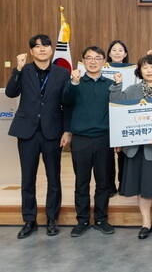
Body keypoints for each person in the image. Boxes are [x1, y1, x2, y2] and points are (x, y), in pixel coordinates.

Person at [5, 34, 70, 239]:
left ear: (51, 49)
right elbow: (10, 93)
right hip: (27, 132)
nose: (42, 49)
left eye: (46, 45)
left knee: (54, 178)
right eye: (37, 46)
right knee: (28, 178)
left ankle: (52, 219)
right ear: (31, 51)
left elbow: (67, 103)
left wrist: (67, 130)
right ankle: (29, 220)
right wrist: (17, 69)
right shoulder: (24, 70)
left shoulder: (62, 72)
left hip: (52, 131)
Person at [109, 54, 152, 240]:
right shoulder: (131, 90)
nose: (149, 70)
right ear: (139, 71)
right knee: (142, 187)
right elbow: (117, 108)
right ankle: (145, 222)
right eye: (145, 67)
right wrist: (117, 85)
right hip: (136, 148)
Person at [62, 46, 115, 237]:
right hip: (81, 140)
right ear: (83, 61)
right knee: (81, 182)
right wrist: (74, 83)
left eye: (97, 58)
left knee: (103, 182)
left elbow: (118, 111)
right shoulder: (75, 82)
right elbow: (65, 102)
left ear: (104, 62)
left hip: (104, 139)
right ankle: (82, 220)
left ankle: (101, 219)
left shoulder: (111, 84)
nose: (93, 61)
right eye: (89, 58)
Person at [106, 40, 130, 195]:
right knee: (106, 156)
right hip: (105, 116)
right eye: (114, 50)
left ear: (125, 54)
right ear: (109, 53)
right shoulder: (102, 69)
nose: (117, 52)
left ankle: (124, 184)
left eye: (120, 50)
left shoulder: (132, 71)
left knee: (124, 154)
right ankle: (109, 186)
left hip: (124, 116)